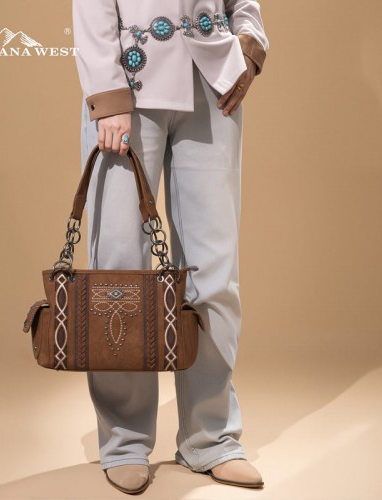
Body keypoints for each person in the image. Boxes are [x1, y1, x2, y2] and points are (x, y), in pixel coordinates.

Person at [72, 0, 269, 494]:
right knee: (120, 274)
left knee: (214, 271)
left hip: (214, 84)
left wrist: (249, 47)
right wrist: (107, 95)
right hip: (129, 86)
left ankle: (212, 438)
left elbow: (242, 4)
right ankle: (124, 441)